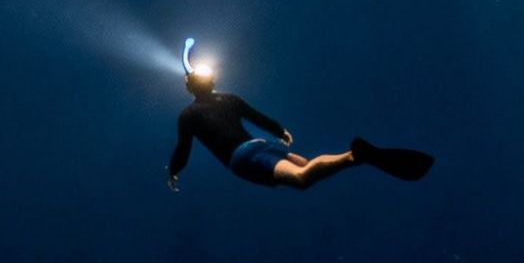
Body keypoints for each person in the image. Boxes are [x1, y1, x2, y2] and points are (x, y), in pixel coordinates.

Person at [165, 64, 432, 192]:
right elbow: (258, 118)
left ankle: (355, 156)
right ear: (210, 81)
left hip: (243, 158)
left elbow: (183, 149)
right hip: (261, 145)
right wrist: (280, 131)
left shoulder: (188, 114)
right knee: (308, 164)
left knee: (301, 179)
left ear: (189, 87)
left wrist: (174, 172)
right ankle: (351, 157)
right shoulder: (229, 98)